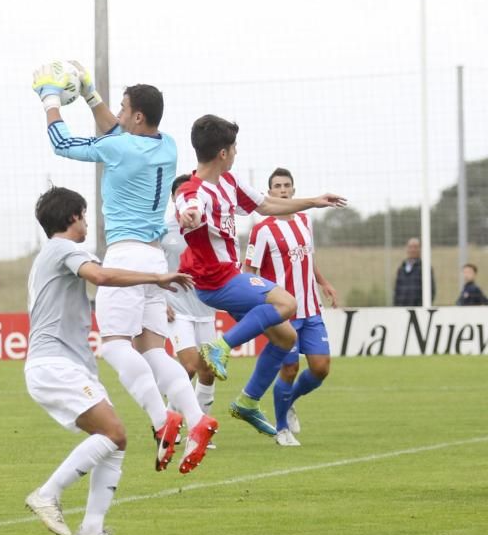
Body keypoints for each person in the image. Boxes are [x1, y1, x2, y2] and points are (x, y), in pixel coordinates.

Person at [32, 62, 218, 475]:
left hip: (127, 255)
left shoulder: (120, 148)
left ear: (136, 116)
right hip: (154, 258)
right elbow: (116, 130)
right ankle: (196, 418)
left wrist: (50, 100)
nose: (115, 113)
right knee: (153, 349)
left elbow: (63, 144)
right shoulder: (166, 145)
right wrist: (90, 95)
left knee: (115, 345)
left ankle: (161, 419)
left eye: (122, 107)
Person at [23, 186, 194, 535]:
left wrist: (149, 302)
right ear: (72, 218)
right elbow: (101, 278)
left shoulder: (53, 255)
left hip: (70, 366)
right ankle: (46, 494)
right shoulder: (65, 249)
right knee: (114, 432)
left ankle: (91, 529)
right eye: (84, 215)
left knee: (116, 442)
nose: (87, 222)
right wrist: (155, 279)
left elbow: (106, 287)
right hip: (55, 364)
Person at [176, 116, 345, 437]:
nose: (237, 152)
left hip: (228, 278)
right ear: (223, 153)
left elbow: (266, 204)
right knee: (286, 302)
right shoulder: (192, 189)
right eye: (234, 147)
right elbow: (190, 206)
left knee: (286, 338)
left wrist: (312, 201)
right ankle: (220, 347)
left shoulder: (230, 182)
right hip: (216, 281)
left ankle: (248, 402)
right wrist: (190, 215)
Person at [244, 168, 339, 447]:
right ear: (270, 193)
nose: (283, 190)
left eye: (287, 185)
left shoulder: (305, 221)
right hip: (284, 313)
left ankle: (290, 400)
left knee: (321, 368)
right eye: (277, 186)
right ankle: (282, 428)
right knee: (289, 368)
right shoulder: (262, 230)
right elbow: (248, 270)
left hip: (311, 308)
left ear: (293, 191)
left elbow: (308, 260)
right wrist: (257, 304)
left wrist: (323, 282)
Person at [162, 176, 219, 429]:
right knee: (189, 366)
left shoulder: (208, 228)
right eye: (180, 194)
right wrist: (160, 302)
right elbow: (151, 269)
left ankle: (197, 428)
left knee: (208, 371)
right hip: (177, 310)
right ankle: (169, 423)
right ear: (175, 198)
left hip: (205, 310)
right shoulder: (163, 231)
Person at [393, 237, 435, 306]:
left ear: (420, 249)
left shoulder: (425, 268)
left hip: (418, 310)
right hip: (401, 309)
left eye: (415, 247)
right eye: (410, 247)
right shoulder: (401, 269)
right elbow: (396, 291)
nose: (412, 250)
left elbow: (431, 291)